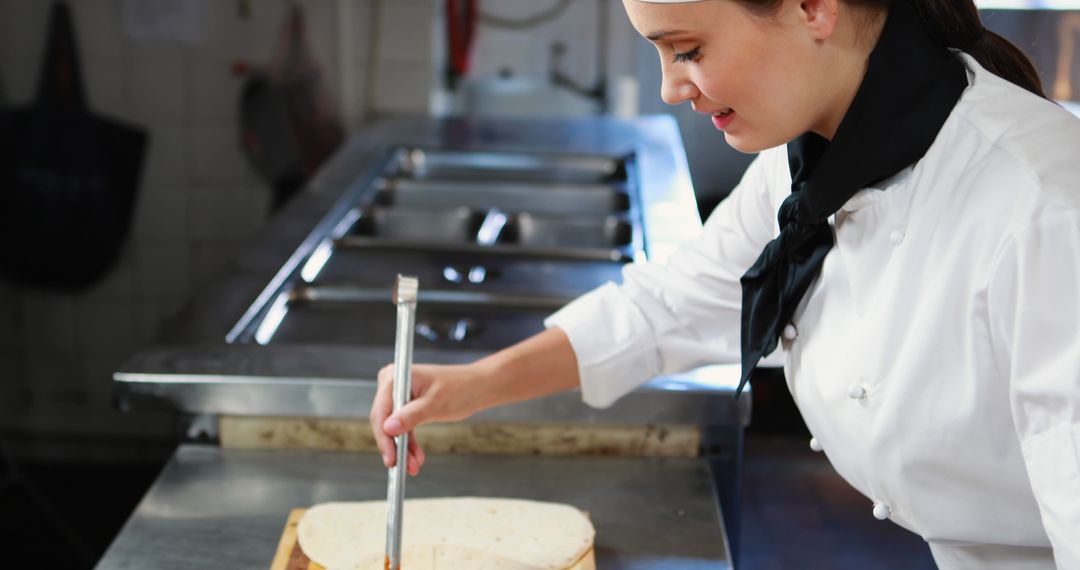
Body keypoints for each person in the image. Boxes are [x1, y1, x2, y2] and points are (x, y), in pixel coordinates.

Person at [370, 0, 1080, 567]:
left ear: (812, 8)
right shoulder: (806, 160)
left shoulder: (1045, 208)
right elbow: (671, 306)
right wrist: (469, 385)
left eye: (686, 50)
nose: (669, 87)